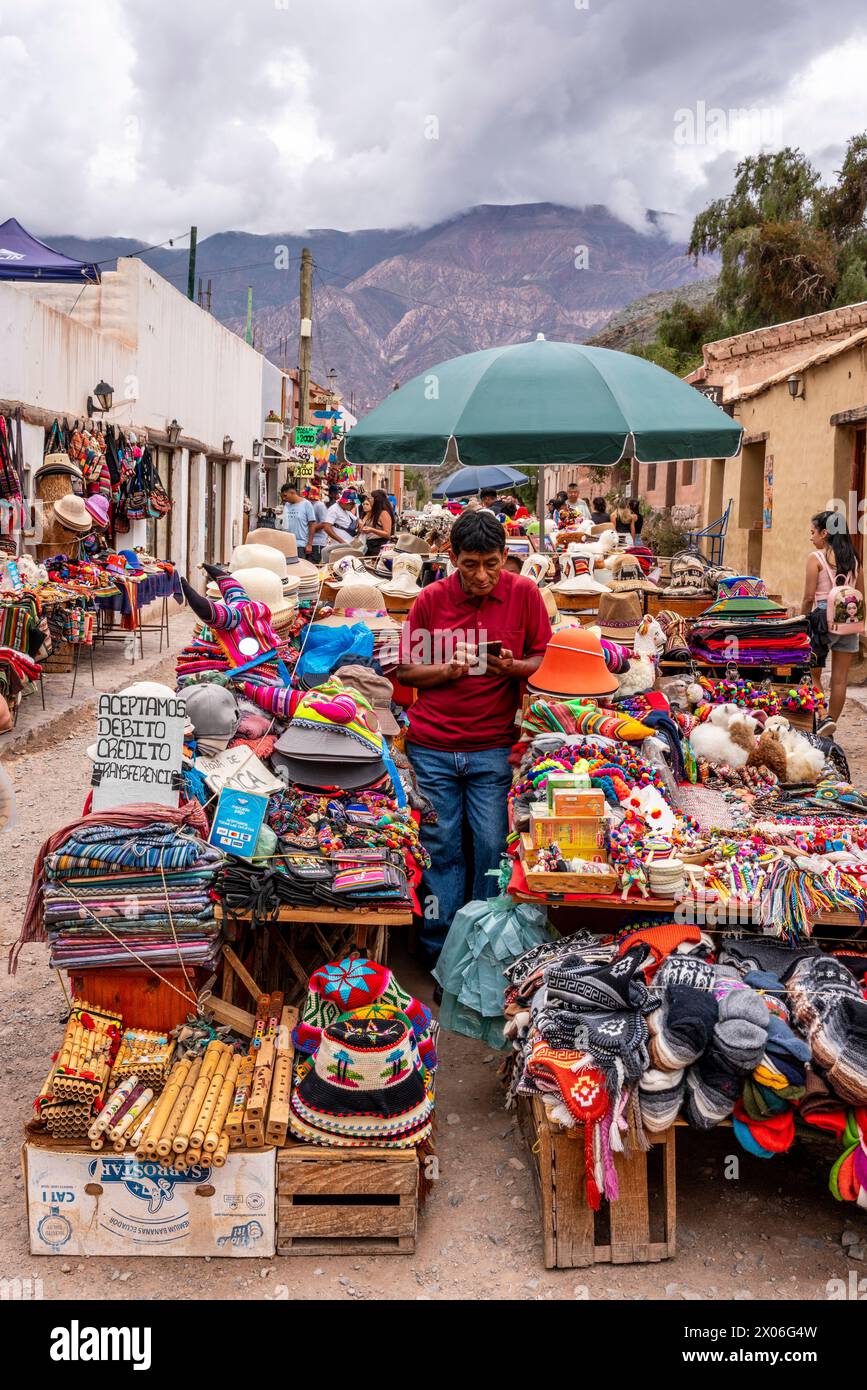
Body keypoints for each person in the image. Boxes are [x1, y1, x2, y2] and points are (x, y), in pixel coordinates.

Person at [396, 509, 552, 968]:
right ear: (451, 558)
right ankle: (437, 947)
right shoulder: (431, 600)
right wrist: (447, 670)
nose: (482, 575)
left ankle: (483, 949)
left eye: (491, 563)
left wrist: (514, 668)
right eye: (470, 565)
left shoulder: (524, 594)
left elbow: (545, 656)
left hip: (492, 748)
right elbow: (405, 670)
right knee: (439, 849)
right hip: (433, 749)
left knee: (491, 844)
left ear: (506, 557)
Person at [802, 510, 863, 733]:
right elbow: (861, 593)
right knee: (839, 680)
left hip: (821, 621)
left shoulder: (815, 558)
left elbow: (809, 596)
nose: (811, 537)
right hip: (849, 622)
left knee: (811, 673)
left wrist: (801, 620)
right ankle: (830, 723)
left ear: (824, 533)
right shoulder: (854, 561)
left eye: (813, 532)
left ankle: (821, 717)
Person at [281, 480, 342, 556]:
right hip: (287, 544)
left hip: (305, 544)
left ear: (292, 493)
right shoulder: (287, 505)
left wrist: (309, 543)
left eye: (285, 496)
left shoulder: (312, 505)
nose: (283, 498)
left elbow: (318, 524)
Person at [360, 488, 395, 555]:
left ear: (377, 500)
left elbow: (387, 534)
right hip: (369, 545)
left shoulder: (383, 513)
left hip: (378, 546)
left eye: (371, 498)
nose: (370, 500)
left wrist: (371, 530)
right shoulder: (374, 512)